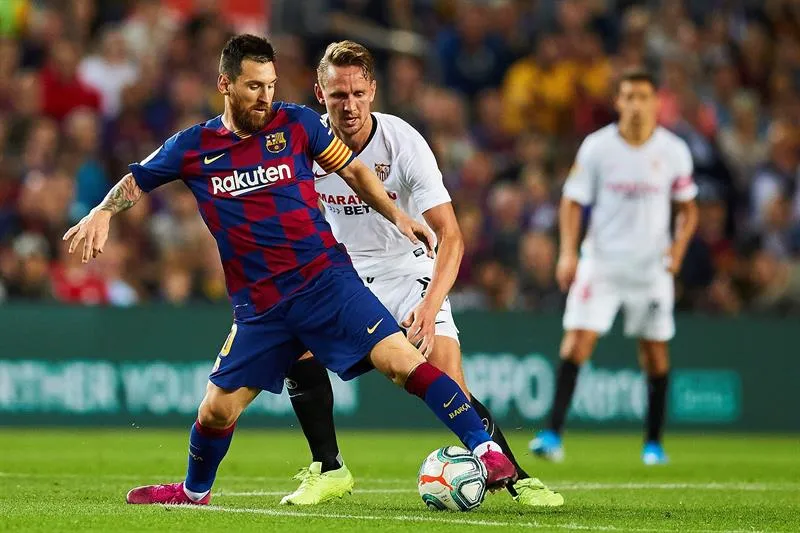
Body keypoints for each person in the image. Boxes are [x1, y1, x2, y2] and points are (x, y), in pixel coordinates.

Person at [63, 34, 516, 506]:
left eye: (272, 85)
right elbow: (137, 178)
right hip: (260, 308)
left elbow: (355, 171)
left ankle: (487, 451)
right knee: (216, 411)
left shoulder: (297, 124)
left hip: (326, 282)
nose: (266, 97)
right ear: (225, 84)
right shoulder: (193, 147)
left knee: (403, 362)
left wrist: (397, 215)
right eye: (255, 86)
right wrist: (101, 211)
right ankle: (194, 492)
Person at [280, 40, 563, 507]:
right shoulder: (303, 147)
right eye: (337, 96)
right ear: (319, 93)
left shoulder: (403, 143)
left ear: (372, 90)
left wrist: (429, 309)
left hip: (404, 270)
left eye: (357, 93)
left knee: (449, 381)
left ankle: (518, 479)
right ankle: (328, 469)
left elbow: (450, 235)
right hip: (339, 273)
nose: (348, 106)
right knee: (295, 343)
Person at [530, 69, 699, 465]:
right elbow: (572, 201)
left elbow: (688, 210)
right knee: (576, 343)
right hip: (601, 262)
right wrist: (568, 252)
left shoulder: (673, 150)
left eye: (644, 96)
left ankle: (653, 443)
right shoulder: (597, 147)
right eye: (629, 97)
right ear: (618, 102)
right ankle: (552, 436)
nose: (636, 104)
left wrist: (677, 250)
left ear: (656, 102)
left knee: (655, 353)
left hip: (650, 269)